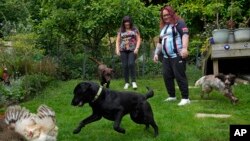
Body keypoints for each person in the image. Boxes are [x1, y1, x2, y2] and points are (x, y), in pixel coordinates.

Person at [153, 5, 190, 106]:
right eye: (163, 15)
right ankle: (172, 96)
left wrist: (185, 48)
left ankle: (185, 98)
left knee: (180, 76)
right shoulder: (163, 28)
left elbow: (185, 35)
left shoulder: (179, 23)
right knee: (167, 76)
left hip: (177, 55)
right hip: (166, 57)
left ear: (172, 13)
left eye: (167, 14)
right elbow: (160, 43)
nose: (165, 17)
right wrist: (156, 53)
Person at [116, 16, 141, 89]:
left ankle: (133, 82)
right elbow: (117, 40)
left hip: (132, 49)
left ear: (130, 22)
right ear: (123, 23)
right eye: (125, 22)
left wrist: (137, 48)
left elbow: (139, 39)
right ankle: (126, 82)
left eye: (128, 21)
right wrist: (117, 49)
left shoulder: (135, 29)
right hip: (123, 50)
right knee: (125, 66)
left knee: (131, 64)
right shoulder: (120, 30)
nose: (127, 23)